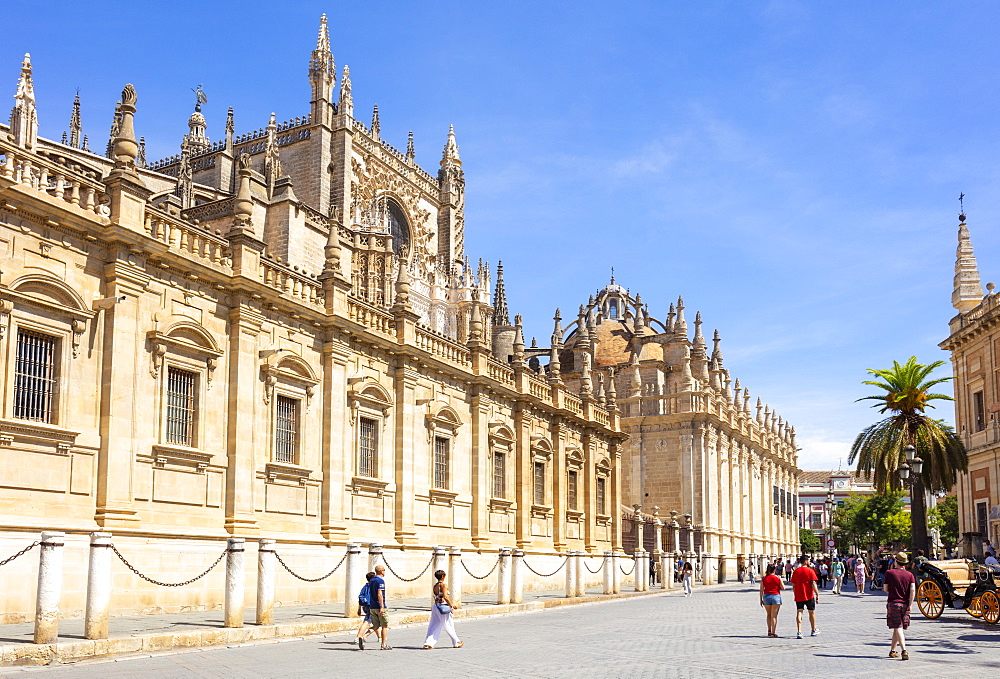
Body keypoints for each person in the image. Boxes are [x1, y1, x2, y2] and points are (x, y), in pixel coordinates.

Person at [883, 551, 916, 660]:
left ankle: (904, 650)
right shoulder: (910, 575)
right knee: (897, 628)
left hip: (893, 603)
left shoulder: (889, 573)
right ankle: (892, 650)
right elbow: (912, 590)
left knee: (898, 627)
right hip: (905, 604)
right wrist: (910, 604)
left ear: (895, 562)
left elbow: (885, 589)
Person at [422, 569, 463, 649]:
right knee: (449, 624)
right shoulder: (444, 585)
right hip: (443, 607)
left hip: (436, 606)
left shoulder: (435, 586)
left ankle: (428, 643)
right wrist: (451, 605)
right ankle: (456, 642)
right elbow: (445, 596)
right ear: (443, 576)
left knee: (434, 625)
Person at [790, 554, 820, 639]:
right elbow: (813, 583)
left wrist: (795, 593)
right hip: (809, 595)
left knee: (799, 611)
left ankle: (799, 632)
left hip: (799, 595)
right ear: (806, 562)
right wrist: (817, 594)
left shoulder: (796, 571)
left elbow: (793, 584)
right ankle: (813, 630)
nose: (810, 562)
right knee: (811, 612)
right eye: (809, 560)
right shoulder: (810, 571)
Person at [367, 565, 391, 650]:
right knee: (384, 625)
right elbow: (380, 594)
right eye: (384, 570)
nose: (384, 572)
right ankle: (383, 645)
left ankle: (363, 637)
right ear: (381, 571)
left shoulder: (372, 580)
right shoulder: (380, 581)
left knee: (376, 625)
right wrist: (382, 607)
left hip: (372, 606)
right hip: (379, 606)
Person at [759, 564, 784, 637]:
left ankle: (769, 630)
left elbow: (761, 590)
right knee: (774, 616)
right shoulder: (778, 578)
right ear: (774, 570)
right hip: (776, 596)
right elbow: (783, 587)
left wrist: (760, 599)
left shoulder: (763, 578)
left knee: (768, 615)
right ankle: (773, 632)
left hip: (766, 596)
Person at [355, 571, 377, 650]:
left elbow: (360, 596)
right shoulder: (374, 586)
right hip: (372, 606)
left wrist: (359, 608)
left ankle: (379, 637)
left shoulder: (365, 586)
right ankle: (359, 637)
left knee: (374, 622)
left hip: (365, 606)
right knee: (368, 622)